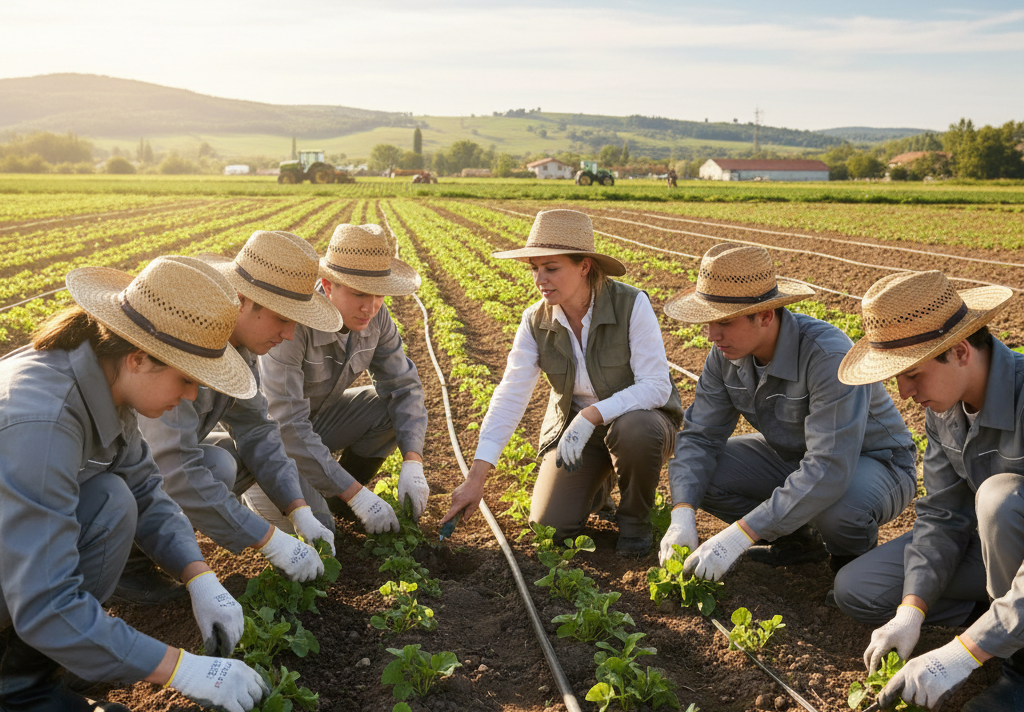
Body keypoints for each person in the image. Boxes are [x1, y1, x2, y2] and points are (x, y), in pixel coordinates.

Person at [0, 256, 269, 712]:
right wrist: (180, 670)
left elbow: (147, 488)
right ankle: (17, 694)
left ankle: (61, 658)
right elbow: (45, 601)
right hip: (21, 583)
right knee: (105, 507)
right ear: (138, 357)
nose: (190, 397)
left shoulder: (102, 382)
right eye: (185, 379)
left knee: (114, 499)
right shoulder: (44, 423)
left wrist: (198, 575)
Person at [831, 270, 1021, 712]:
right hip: (999, 551)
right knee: (859, 589)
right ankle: (1003, 617)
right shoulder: (945, 406)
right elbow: (941, 515)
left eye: (912, 374)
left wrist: (963, 652)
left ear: (959, 351)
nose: (905, 394)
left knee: (1000, 499)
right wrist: (911, 612)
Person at [660, 242, 917, 578]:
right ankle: (798, 543)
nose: (711, 334)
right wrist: (681, 512)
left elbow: (829, 466)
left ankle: (851, 564)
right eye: (708, 321)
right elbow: (700, 438)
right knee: (702, 478)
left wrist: (741, 535)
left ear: (765, 315)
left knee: (837, 509)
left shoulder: (826, 355)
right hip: (796, 456)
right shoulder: (724, 355)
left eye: (723, 321)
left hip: (873, 462)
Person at [441, 208, 683, 556]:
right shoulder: (534, 321)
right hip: (574, 433)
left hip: (640, 424)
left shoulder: (632, 304)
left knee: (635, 429)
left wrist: (592, 415)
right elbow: (511, 393)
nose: (540, 279)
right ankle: (599, 485)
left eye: (551, 268)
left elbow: (657, 387)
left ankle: (635, 522)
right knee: (549, 529)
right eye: (535, 269)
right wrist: (476, 478)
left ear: (584, 266)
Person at [119, 232, 343, 605]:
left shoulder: (241, 349)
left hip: (141, 467)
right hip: (113, 477)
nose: (288, 335)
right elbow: (173, 465)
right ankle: (127, 568)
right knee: (207, 467)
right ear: (241, 301)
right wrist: (267, 540)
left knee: (222, 457)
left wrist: (298, 508)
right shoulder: (183, 341)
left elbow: (257, 429)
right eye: (281, 319)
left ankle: (150, 545)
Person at [258, 223, 428, 535]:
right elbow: (286, 425)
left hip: (317, 421)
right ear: (328, 284)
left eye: (379, 294)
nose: (370, 306)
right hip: (268, 443)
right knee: (319, 531)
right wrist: (358, 496)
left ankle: (336, 498)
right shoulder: (292, 323)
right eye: (359, 293)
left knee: (386, 408)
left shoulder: (377, 316)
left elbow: (403, 386)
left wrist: (413, 462)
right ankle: (333, 496)